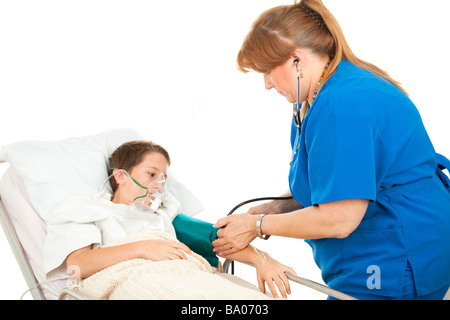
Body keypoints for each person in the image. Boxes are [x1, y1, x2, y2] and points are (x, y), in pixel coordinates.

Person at [212, 0, 450, 300]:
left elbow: (339, 218)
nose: (267, 85)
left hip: (395, 257)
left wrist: (257, 226)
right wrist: (275, 208)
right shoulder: (317, 96)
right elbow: (332, 183)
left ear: (297, 60)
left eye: (268, 72)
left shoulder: (342, 104)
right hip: (383, 250)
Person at [43, 140, 295, 298]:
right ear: (120, 176)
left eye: (163, 178)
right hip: (136, 281)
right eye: (151, 174)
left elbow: (218, 238)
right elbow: (79, 264)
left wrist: (262, 259)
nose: (159, 185)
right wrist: (144, 248)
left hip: (189, 278)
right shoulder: (87, 208)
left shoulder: (164, 216)